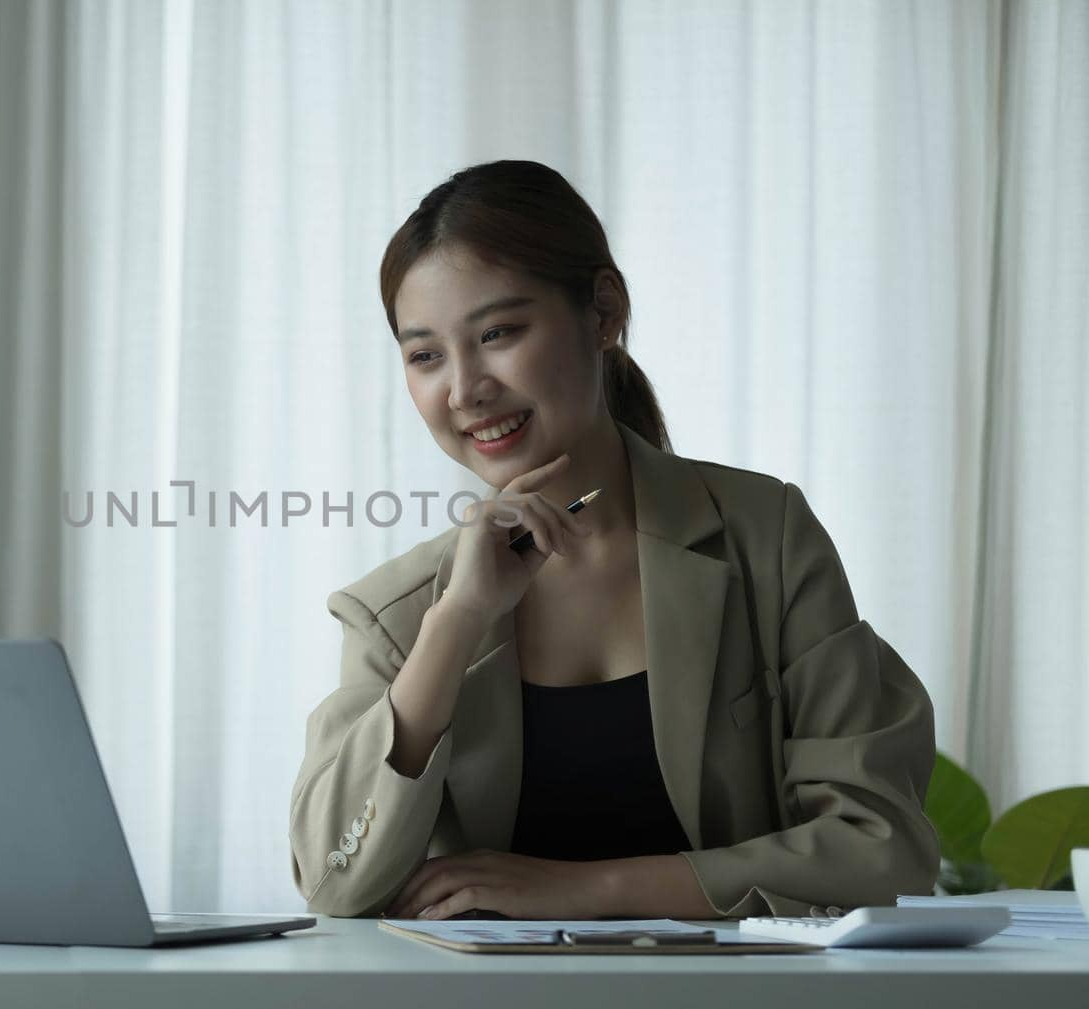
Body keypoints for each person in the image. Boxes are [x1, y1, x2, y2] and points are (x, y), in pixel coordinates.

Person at [288, 160, 939, 920]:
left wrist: (586, 889)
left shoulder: (768, 538)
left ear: (603, 312)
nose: (463, 389)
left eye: (498, 332)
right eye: (425, 354)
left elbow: (882, 845)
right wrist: (457, 621)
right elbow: (335, 882)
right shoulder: (395, 615)